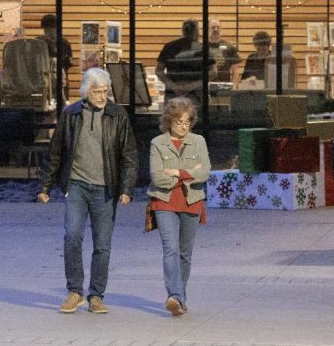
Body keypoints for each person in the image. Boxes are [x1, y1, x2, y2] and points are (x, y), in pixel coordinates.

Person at [39, 68, 138, 314]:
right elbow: (56, 152)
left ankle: (96, 295)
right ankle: (75, 291)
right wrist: (46, 186)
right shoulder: (71, 114)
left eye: (105, 91)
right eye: (97, 92)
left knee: (102, 244)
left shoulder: (118, 114)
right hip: (77, 185)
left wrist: (127, 188)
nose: (102, 96)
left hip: (106, 188)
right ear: (86, 92)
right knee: (72, 235)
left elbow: (129, 154)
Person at [145, 96, 209, 317]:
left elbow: (205, 172)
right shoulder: (157, 143)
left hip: (191, 202)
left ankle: (180, 297)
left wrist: (176, 172)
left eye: (187, 121)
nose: (184, 126)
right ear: (169, 121)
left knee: (185, 254)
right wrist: (187, 174)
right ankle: (174, 296)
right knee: (170, 249)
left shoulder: (198, 141)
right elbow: (157, 177)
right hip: (164, 202)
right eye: (179, 121)